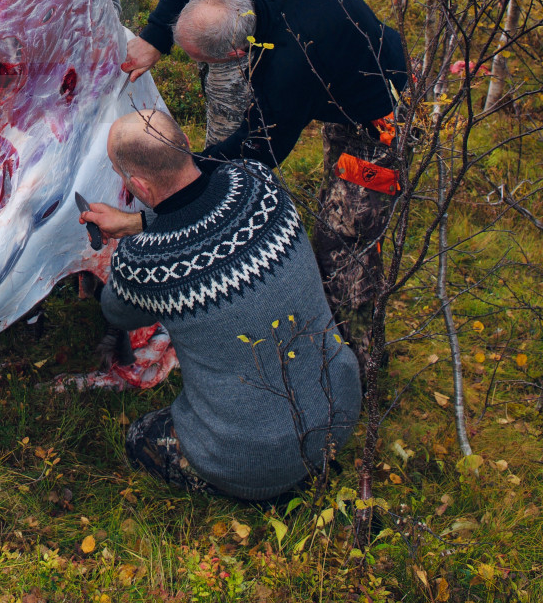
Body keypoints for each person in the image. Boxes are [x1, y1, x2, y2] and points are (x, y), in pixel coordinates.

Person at [118, 0, 409, 360]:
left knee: (345, 245)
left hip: (379, 122)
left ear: (236, 54)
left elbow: (260, 149)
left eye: (201, 61)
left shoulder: (289, 69)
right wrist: (154, 38)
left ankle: (360, 365)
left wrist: (181, 170)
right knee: (334, 208)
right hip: (349, 71)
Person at [90, 110, 361, 500]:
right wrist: (139, 224)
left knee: (140, 437)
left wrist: (134, 240)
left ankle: (262, 489)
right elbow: (201, 216)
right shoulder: (257, 179)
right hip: (340, 410)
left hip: (251, 459)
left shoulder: (144, 265)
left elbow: (117, 311)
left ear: (138, 187)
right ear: (185, 145)